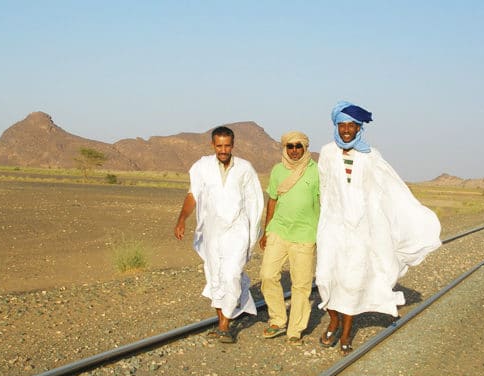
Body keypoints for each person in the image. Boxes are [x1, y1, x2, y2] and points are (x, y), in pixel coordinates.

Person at [316, 101, 441, 355]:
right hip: (332, 227)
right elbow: (325, 190)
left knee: (352, 281)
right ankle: (334, 319)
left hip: (361, 230)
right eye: (342, 125)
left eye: (351, 125)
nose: (347, 130)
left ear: (359, 128)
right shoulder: (327, 153)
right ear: (336, 126)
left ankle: (346, 332)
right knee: (325, 277)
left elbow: (388, 188)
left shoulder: (371, 155)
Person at [174, 126, 264, 343]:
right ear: (213, 145)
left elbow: (255, 201)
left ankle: (225, 325)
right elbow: (193, 195)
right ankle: (222, 321)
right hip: (213, 231)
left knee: (232, 274)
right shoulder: (202, 167)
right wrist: (182, 219)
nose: (223, 150)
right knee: (215, 276)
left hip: (238, 230)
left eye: (227, 145)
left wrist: (255, 233)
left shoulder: (245, 168)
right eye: (219, 145)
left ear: (233, 145)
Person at [259, 131, 320, 345]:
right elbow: (272, 200)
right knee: (267, 275)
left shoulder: (316, 172)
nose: (294, 150)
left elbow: (322, 204)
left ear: (305, 148)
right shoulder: (277, 170)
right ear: (285, 148)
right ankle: (277, 319)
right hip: (279, 231)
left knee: (301, 285)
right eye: (290, 146)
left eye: (298, 146)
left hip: (304, 235)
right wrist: (266, 230)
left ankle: (295, 329)